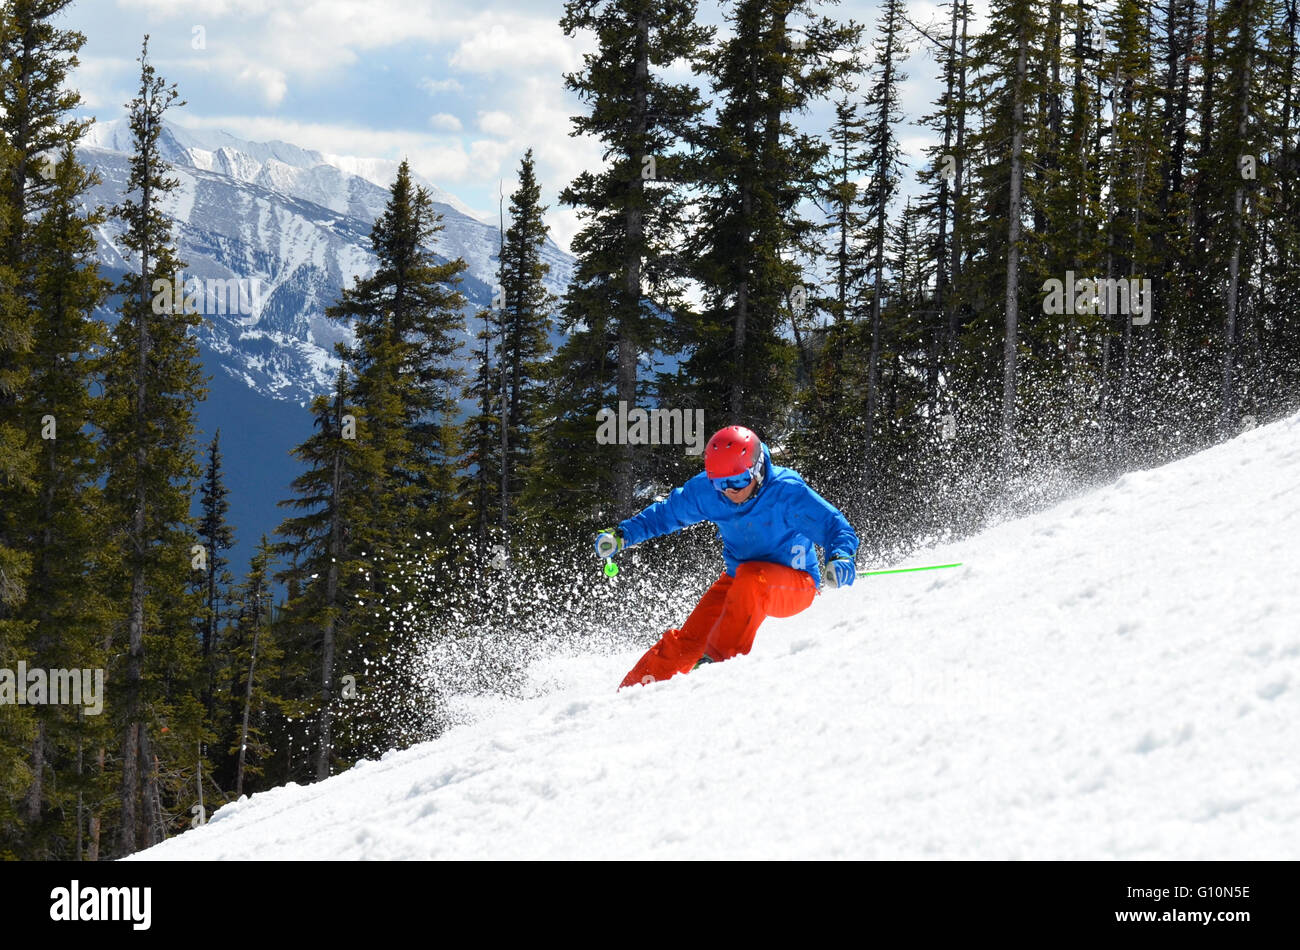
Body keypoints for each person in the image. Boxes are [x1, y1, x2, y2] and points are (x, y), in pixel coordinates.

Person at [596, 425, 859, 689]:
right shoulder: (710, 493)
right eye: (721, 483)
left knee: (751, 580)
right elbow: (666, 514)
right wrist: (622, 535)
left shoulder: (786, 493)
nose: (730, 491)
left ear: (756, 468)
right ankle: (629, 694)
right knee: (689, 641)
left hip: (796, 584)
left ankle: (715, 672)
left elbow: (834, 526)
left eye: (738, 481)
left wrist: (840, 556)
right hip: (739, 581)